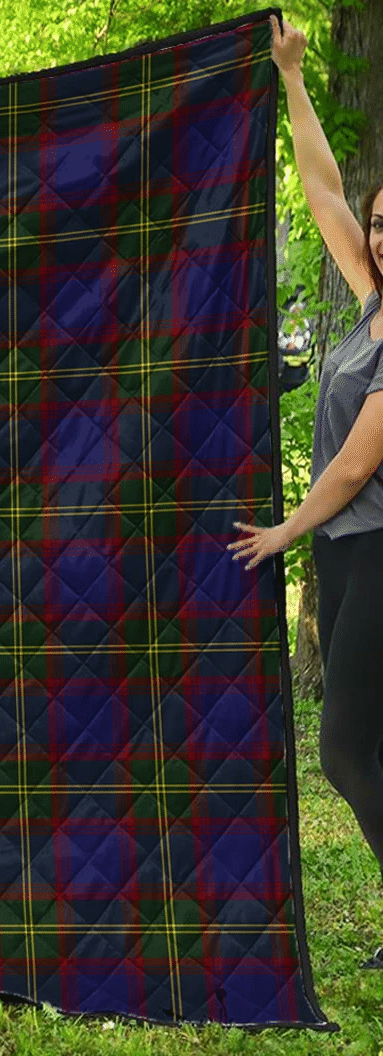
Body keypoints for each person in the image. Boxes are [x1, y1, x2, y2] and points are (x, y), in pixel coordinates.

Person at [230, 16, 383, 966]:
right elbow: (323, 188)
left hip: (375, 549)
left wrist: (284, 531)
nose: (381, 236)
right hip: (350, 551)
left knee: (342, 750)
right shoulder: (371, 301)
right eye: (382, 223)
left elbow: (359, 463)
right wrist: (291, 77)